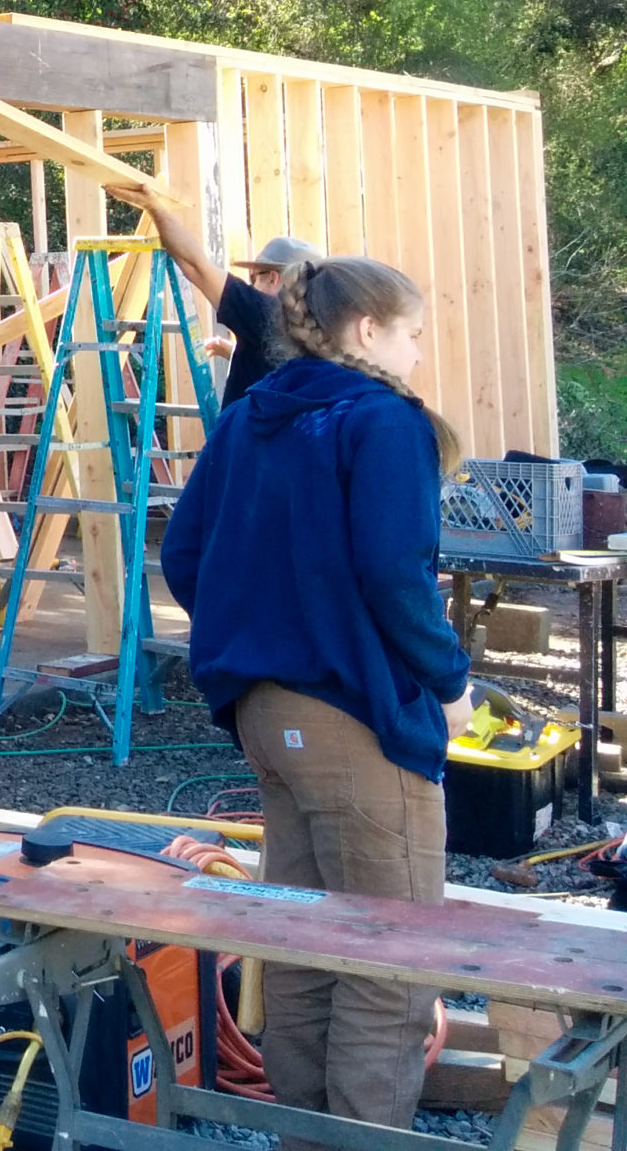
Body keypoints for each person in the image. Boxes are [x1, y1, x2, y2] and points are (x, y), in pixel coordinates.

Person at [161, 256, 473, 1143]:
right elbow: (394, 573)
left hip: (264, 712)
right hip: (353, 717)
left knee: (302, 944)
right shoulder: (381, 420)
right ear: (367, 331)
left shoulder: (252, 413)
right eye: (411, 333)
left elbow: (185, 556)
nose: (417, 351)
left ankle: (305, 1137)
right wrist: (448, 682)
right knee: (388, 958)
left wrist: (261, 625)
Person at [114, 182, 318, 405]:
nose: (253, 284)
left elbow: (195, 266)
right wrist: (231, 351)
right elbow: (275, 367)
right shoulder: (319, 325)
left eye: (255, 276)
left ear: (273, 278)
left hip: (247, 437)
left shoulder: (266, 312)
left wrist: (153, 207)